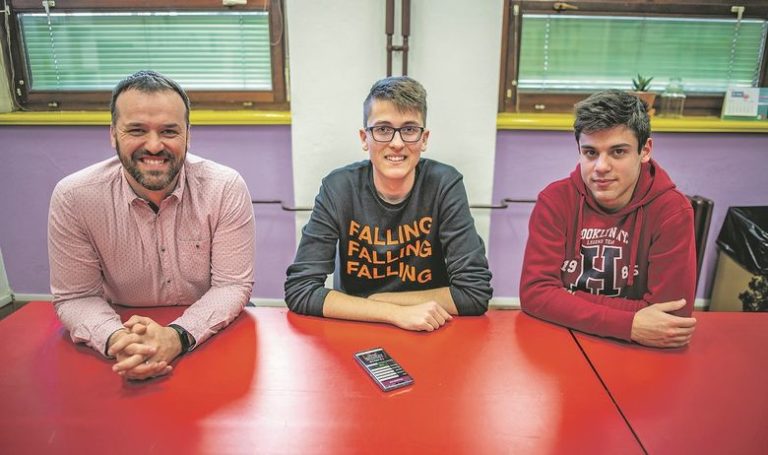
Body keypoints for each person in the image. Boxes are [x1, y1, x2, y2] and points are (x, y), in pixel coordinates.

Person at [48, 70, 255, 380]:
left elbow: (231, 285)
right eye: (137, 130)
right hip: (119, 330)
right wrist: (119, 341)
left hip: (210, 333)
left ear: (188, 135)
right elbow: (76, 297)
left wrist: (175, 336)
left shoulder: (224, 187)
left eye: (169, 131)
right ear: (113, 133)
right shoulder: (74, 197)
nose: (155, 146)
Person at [284, 76, 492, 331]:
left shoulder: (444, 184)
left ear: (424, 138)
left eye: (409, 129)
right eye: (383, 129)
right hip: (358, 327)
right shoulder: (338, 188)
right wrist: (393, 313)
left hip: (431, 327)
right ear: (365, 138)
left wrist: (381, 300)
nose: (396, 143)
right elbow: (300, 289)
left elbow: (474, 293)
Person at [519, 89, 697, 348]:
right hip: (564, 340)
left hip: (637, 352)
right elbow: (535, 294)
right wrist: (629, 323)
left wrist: (565, 297)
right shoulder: (555, 200)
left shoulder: (672, 210)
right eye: (590, 153)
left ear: (645, 150)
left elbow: (672, 317)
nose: (601, 167)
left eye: (618, 152)